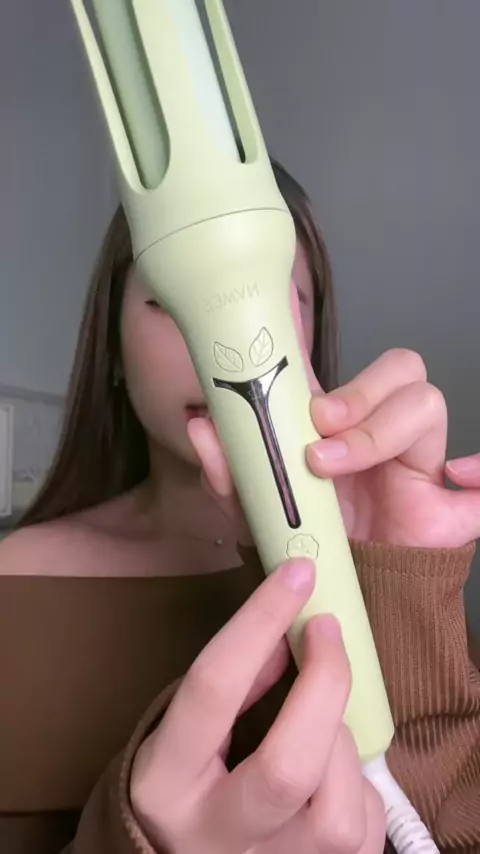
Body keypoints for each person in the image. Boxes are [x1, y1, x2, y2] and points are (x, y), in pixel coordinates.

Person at [0, 158, 479, 854]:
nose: (222, 339)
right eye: (174, 299)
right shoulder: (16, 587)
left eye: (282, 295)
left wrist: (402, 596)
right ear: (113, 345)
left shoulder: (387, 567)